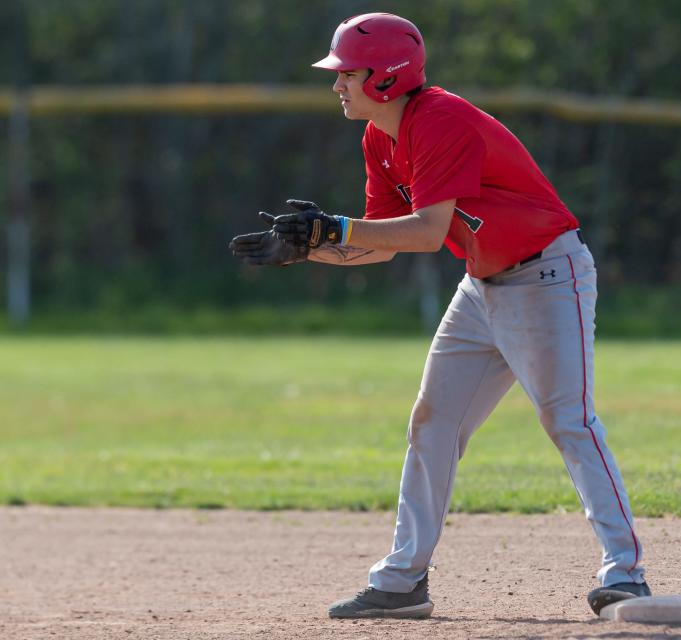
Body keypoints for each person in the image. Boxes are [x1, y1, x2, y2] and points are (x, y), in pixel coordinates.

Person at [229, 12, 650, 619]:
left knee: (569, 422)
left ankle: (626, 572)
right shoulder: (379, 135)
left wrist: (335, 227)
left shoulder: (441, 119)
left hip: (546, 277)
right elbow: (382, 239)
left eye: (346, 73)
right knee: (432, 423)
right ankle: (402, 581)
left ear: (386, 77)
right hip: (483, 288)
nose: (336, 85)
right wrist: (309, 249)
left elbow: (426, 233)